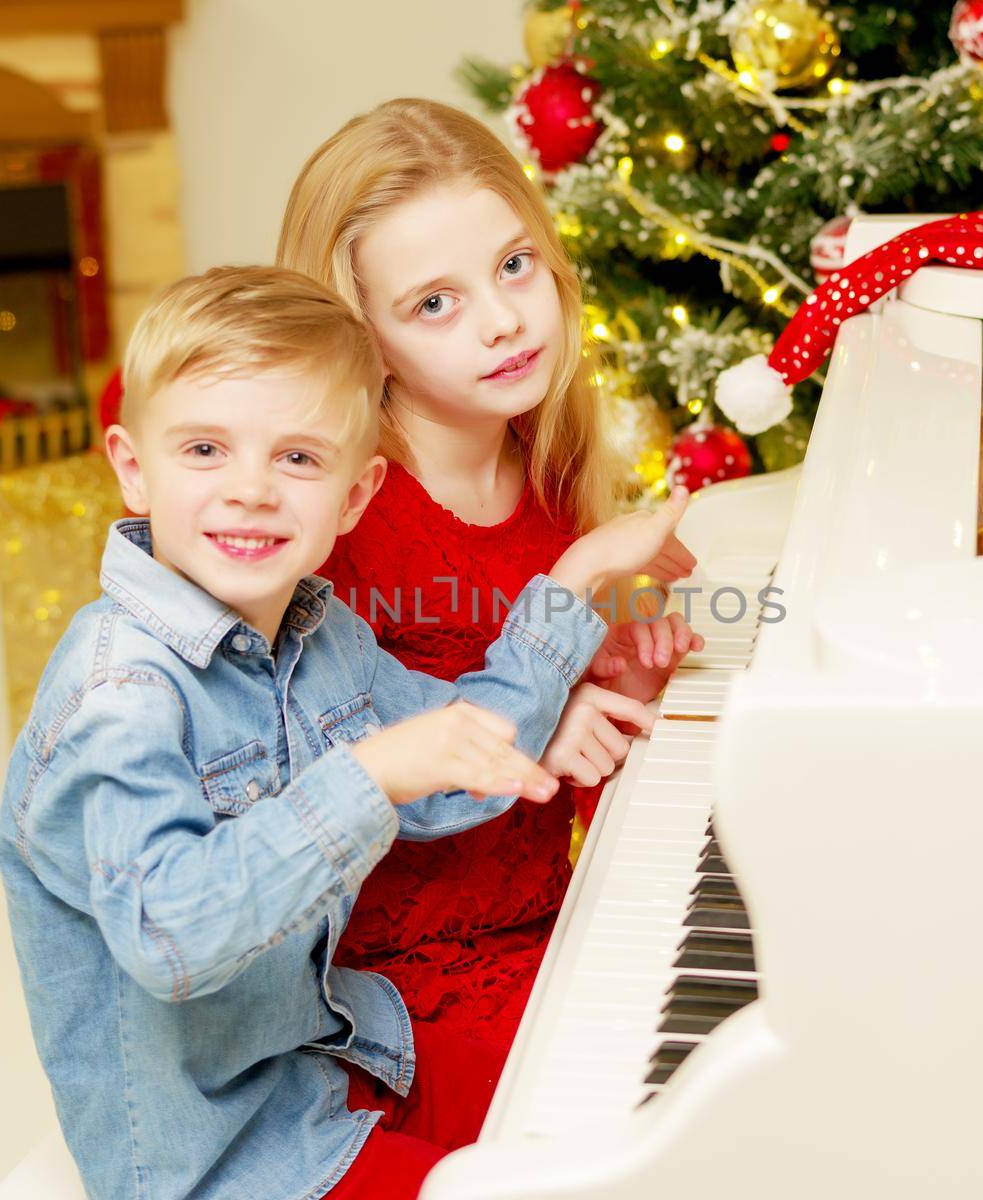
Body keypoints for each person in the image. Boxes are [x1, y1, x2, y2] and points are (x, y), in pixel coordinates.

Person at [0, 266, 693, 1199]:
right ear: (133, 468)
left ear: (356, 496)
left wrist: (571, 589)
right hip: (226, 1157)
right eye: (205, 450)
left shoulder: (321, 637)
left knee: (633, 1113)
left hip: (341, 1058)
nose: (251, 490)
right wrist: (371, 772)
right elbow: (172, 937)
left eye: (298, 459)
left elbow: (448, 757)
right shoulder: (116, 697)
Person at [276, 98, 702, 1052]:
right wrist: (552, 711)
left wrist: (627, 678)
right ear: (360, 337)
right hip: (392, 999)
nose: (505, 321)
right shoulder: (336, 522)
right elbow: (306, 772)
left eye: (514, 266)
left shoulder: (551, 474)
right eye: (436, 303)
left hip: (553, 936)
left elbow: (578, 782)